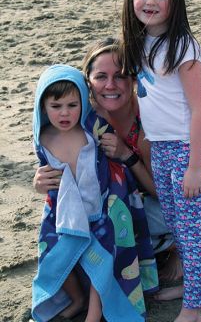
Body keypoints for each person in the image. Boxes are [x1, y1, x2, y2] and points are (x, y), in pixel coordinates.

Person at [33, 39, 201, 287]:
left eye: (120, 76)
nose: (110, 85)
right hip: (127, 198)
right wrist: (39, 181)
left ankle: (176, 248)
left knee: (120, 234)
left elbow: (161, 192)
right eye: (101, 76)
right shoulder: (79, 113)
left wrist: (126, 156)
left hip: (180, 191)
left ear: (134, 79)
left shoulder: (149, 118)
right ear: (87, 80)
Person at [120, 0, 201, 322]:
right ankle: (192, 285)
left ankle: (194, 308)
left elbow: (200, 111)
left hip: (187, 150)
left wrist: (195, 168)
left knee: (190, 235)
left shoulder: (183, 47)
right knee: (177, 226)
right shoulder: (142, 41)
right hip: (160, 148)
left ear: (175, 1)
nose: (150, 1)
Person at [31, 64, 158, 322]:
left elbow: (116, 161)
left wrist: (115, 147)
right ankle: (77, 298)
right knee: (52, 253)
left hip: (101, 209)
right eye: (56, 107)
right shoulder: (42, 138)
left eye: (72, 105)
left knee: (106, 255)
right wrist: (37, 184)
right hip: (65, 214)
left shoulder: (93, 128)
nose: (65, 113)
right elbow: (43, 178)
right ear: (43, 107)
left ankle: (95, 310)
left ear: (82, 102)